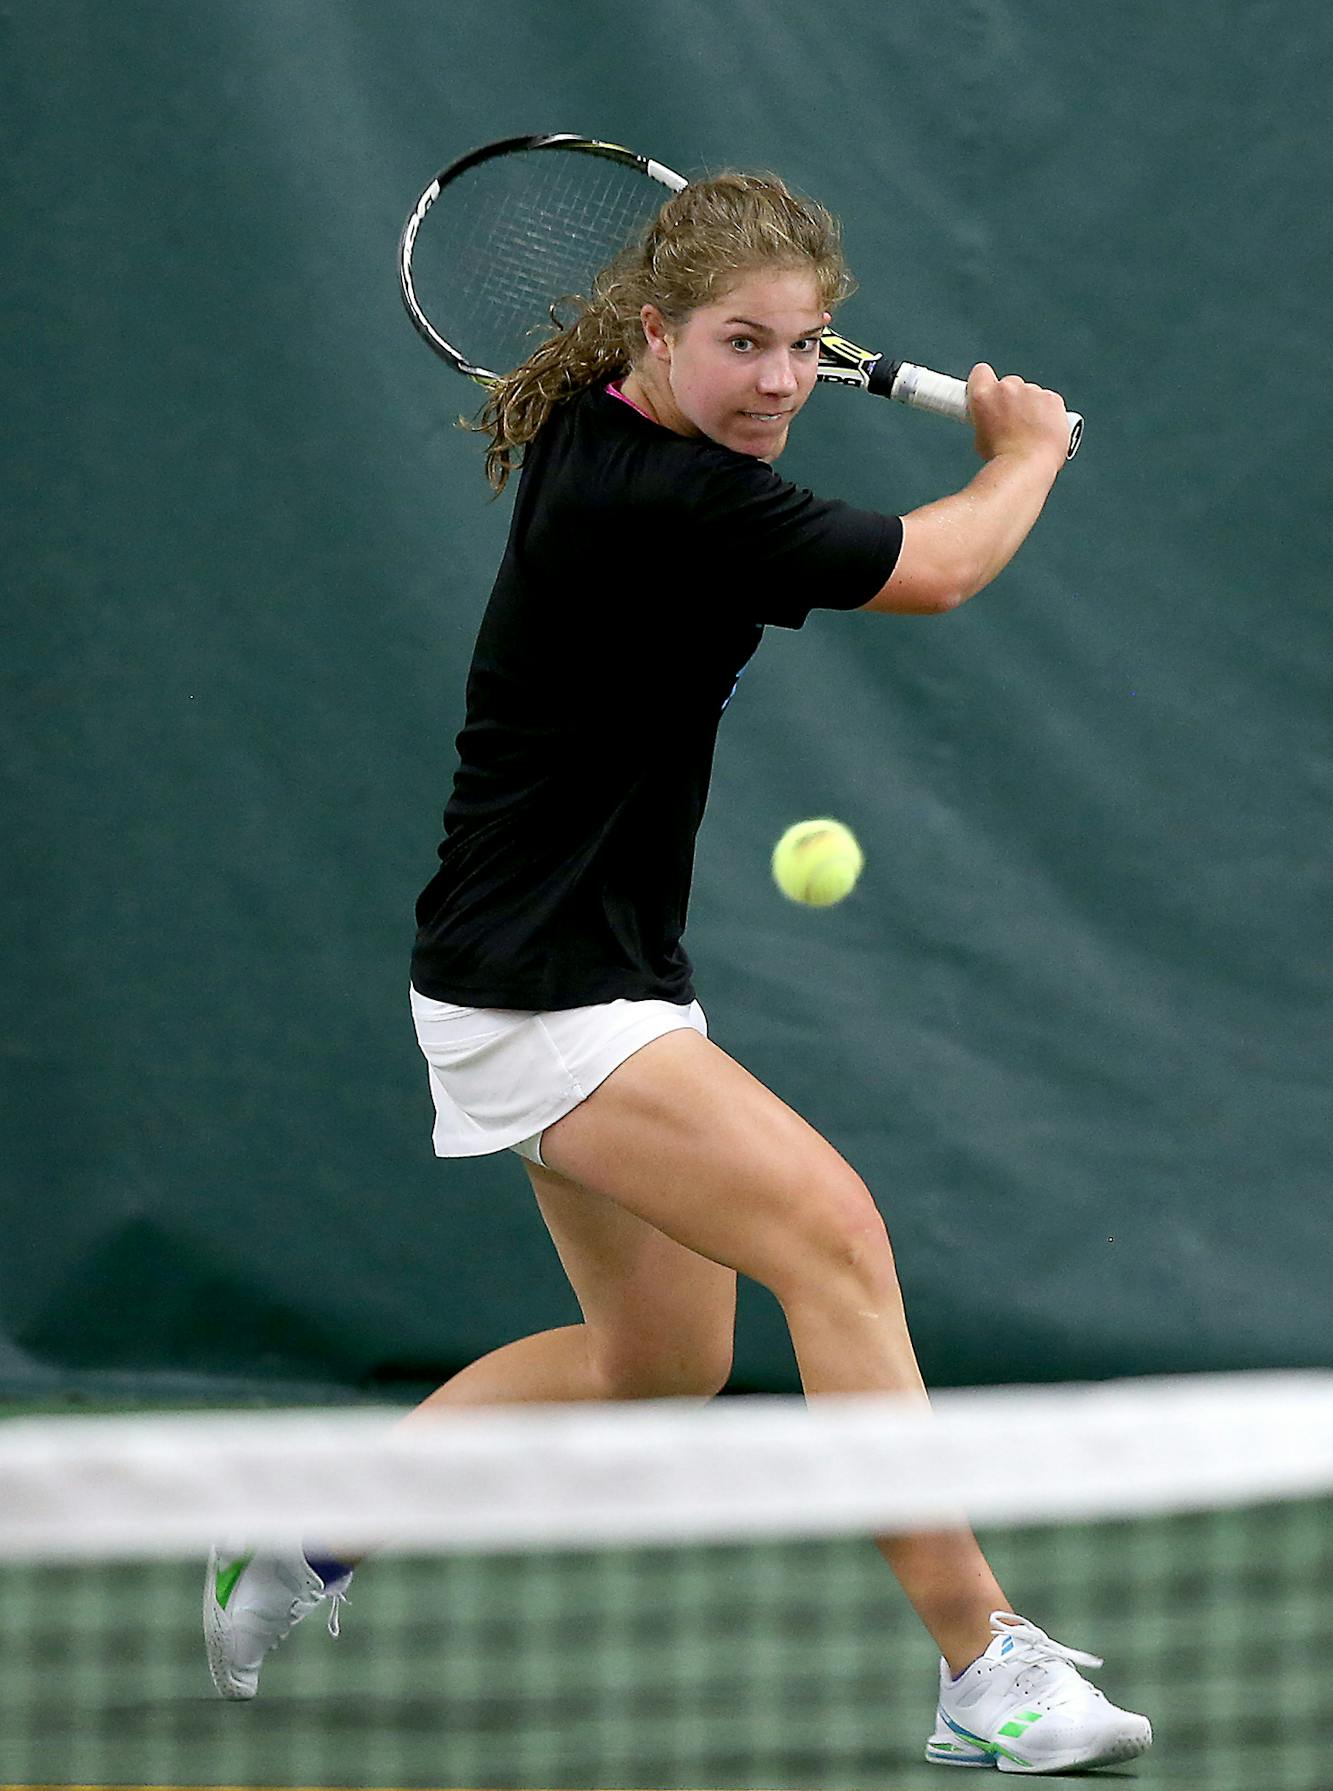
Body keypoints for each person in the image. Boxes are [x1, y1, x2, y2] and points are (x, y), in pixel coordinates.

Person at [204, 171, 1150, 1774]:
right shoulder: (666, 499)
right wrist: (1029, 450)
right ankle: (984, 1669)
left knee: (661, 1365)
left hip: (591, 965)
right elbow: (941, 567)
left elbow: (806, 452)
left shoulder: (615, 415)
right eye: (742, 344)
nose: (782, 381)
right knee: (835, 1236)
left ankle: (301, 1539)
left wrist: (838, 370)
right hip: (538, 985)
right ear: (654, 332)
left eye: (805, 345)